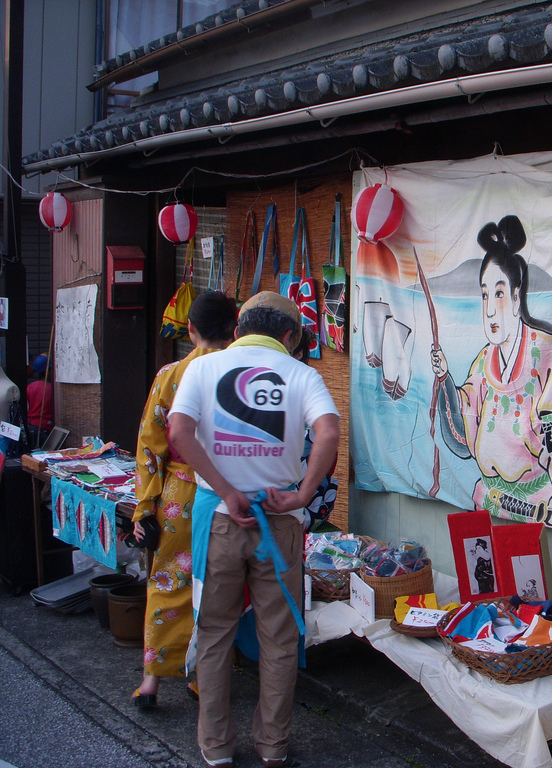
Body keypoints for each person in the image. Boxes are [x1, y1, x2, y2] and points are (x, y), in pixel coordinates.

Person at [168, 291, 339, 768]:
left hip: (220, 521)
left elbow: (178, 431)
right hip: (280, 521)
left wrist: (225, 490)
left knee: (215, 632)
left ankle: (217, 748)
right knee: (279, 639)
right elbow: (327, 433)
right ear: (288, 336)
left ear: (240, 328)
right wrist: (304, 493)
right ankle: (272, 747)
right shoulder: (303, 375)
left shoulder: (201, 367)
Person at [430, 215, 552, 527]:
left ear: (517, 297)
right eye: (484, 294)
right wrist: (445, 378)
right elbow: (464, 429)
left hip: (538, 505)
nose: (490, 308)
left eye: (499, 292)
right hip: (488, 500)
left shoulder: (548, 354)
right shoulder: (483, 362)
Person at [131, 291, 237, 710]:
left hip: (178, 495)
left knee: (167, 583)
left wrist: (144, 506)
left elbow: (150, 446)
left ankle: (151, 681)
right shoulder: (241, 374)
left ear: (189, 329)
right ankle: (202, 677)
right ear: (234, 329)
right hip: (227, 492)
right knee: (219, 587)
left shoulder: (171, 375)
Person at [25, 354, 53, 449]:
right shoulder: (51, 389)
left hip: (31, 426)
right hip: (45, 428)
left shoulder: (30, 387)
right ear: (47, 371)